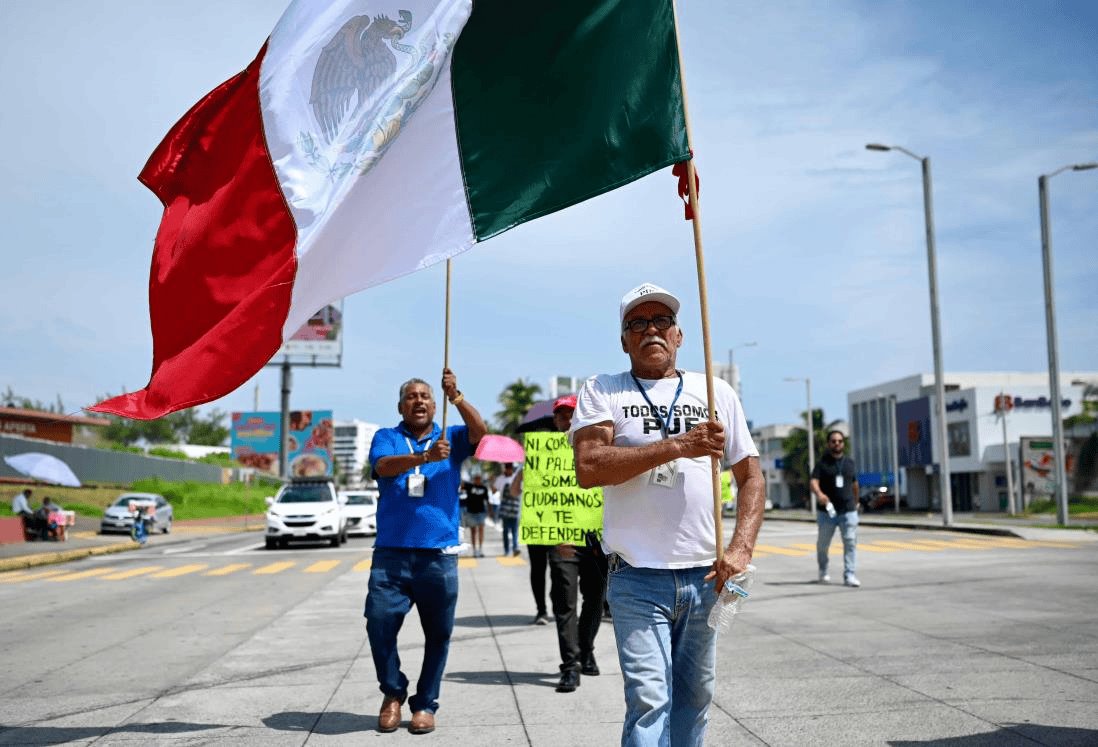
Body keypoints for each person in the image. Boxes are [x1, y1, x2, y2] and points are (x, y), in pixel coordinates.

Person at [571, 282, 765, 746]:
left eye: (662, 321)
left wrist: (740, 548)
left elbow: (752, 478)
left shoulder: (715, 393)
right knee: (648, 699)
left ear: (679, 335)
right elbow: (590, 467)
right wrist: (679, 445)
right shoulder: (604, 390)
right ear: (624, 341)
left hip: (705, 574)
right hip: (636, 577)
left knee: (696, 697)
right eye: (637, 323)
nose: (651, 330)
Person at [364, 369, 487, 735]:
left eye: (425, 396)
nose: (419, 401)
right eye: (411, 397)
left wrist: (458, 398)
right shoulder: (387, 437)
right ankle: (392, 692)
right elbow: (383, 467)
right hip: (391, 556)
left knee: (438, 635)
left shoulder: (451, 435)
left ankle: (425, 704)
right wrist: (423, 458)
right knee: (379, 624)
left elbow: (481, 434)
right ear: (400, 406)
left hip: (439, 556)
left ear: (435, 404)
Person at [543, 394, 607, 694]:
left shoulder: (600, 443)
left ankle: (586, 648)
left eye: (571, 414)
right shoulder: (545, 453)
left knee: (595, 598)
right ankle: (570, 666)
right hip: (561, 536)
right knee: (564, 602)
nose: (566, 420)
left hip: (596, 537)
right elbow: (527, 493)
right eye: (560, 415)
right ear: (555, 420)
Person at [811, 429, 860, 587]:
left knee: (850, 543)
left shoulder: (849, 463)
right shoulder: (822, 464)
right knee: (823, 545)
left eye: (839, 441)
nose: (837, 444)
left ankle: (849, 575)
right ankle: (823, 571)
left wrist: (856, 502)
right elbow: (813, 482)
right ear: (828, 444)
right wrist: (819, 494)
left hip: (848, 511)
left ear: (843, 444)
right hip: (827, 513)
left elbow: (854, 484)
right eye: (833, 441)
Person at [508, 461, 551, 626]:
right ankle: (541, 610)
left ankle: (559, 604)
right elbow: (513, 492)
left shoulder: (562, 461)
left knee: (561, 570)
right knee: (538, 569)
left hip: (559, 524)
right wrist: (520, 476)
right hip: (535, 525)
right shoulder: (525, 467)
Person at [496, 464, 521, 557]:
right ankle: (507, 550)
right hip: (505, 509)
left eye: (510, 469)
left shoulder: (516, 477)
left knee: (514, 530)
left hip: (515, 508)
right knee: (506, 531)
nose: (509, 470)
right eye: (508, 469)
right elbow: (494, 490)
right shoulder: (500, 478)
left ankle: (515, 548)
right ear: (505, 469)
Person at [463, 474, 490, 557]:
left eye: (479, 479)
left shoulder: (484, 488)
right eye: (476, 479)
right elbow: (461, 485)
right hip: (471, 512)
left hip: (481, 512)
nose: (478, 480)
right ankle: (474, 550)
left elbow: (487, 500)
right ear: (474, 480)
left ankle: (481, 549)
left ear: (481, 479)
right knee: (473, 532)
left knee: (481, 530)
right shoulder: (469, 486)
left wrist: (490, 510)